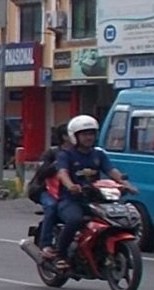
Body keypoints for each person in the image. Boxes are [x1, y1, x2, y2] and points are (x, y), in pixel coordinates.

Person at [50, 115, 134, 268]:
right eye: (84, 134)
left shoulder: (98, 154)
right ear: (75, 136)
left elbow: (111, 170)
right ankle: (60, 255)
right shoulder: (66, 155)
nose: (89, 137)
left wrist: (124, 183)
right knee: (75, 220)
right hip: (71, 200)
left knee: (120, 217)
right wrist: (70, 186)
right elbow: (62, 173)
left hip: (96, 199)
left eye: (91, 134)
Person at [23, 124, 68, 258]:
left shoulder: (83, 153)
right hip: (44, 189)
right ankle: (46, 244)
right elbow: (42, 173)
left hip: (66, 191)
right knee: (52, 206)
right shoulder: (52, 153)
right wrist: (57, 165)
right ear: (65, 137)